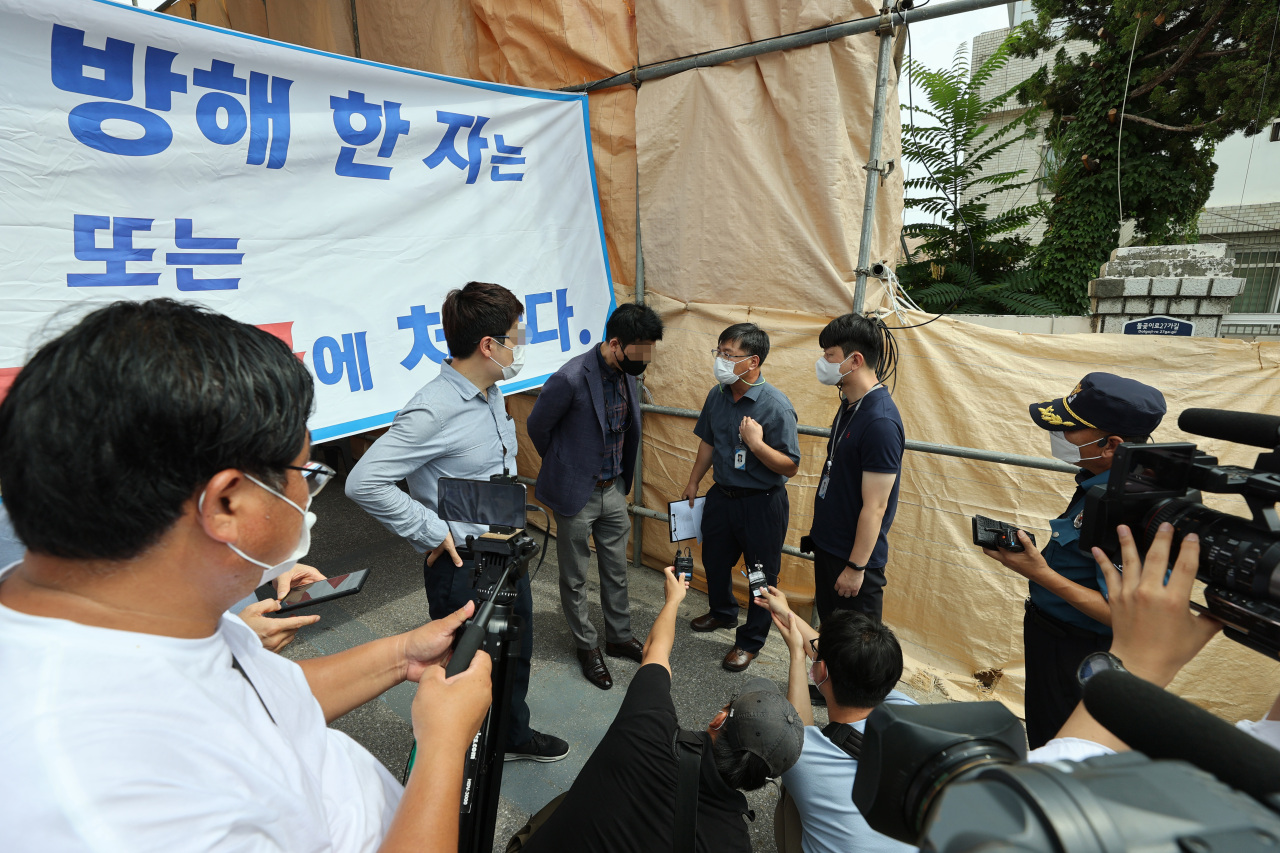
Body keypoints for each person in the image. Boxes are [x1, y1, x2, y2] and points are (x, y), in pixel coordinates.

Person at [0, 299, 492, 852]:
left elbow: (262, 700)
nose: (307, 493)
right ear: (227, 503)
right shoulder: (109, 807)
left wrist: (402, 655)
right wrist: (445, 746)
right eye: (305, 471)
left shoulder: (150, 607)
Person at [346, 281, 568, 762]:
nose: (522, 345)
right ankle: (456, 759)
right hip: (462, 566)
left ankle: (511, 735)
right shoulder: (433, 408)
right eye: (516, 336)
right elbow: (364, 482)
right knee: (464, 668)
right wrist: (430, 530)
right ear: (489, 345)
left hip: (506, 552)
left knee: (515, 652)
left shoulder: (491, 392)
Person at [517, 565, 805, 853]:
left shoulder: (647, 724)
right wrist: (798, 655)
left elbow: (656, 649)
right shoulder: (733, 841)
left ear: (719, 719)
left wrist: (673, 600)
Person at [980, 372, 1166, 748]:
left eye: (1069, 429)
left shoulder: (1130, 505)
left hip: (1081, 654)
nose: (1059, 436)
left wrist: (1041, 573)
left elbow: (1125, 616)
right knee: (1045, 736)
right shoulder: (1100, 482)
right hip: (1053, 640)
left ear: (1111, 444)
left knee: (1061, 750)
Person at [526, 303, 664, 690]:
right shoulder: (570, 378)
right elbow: (538, 426)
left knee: (617, 570)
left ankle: (618, 637)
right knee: (574, 577)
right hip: (578, 494)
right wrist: (565, 466)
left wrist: (618, 482)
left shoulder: (628, 374)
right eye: (639, 352)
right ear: (615, 343)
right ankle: (586, 646)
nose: (645, 361)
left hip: (614, 490)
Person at [754, 589, 916, 853]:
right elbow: (839, 657)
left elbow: (796, 733)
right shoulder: (907, 707)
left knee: (792, 795)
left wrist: (797, 655)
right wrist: (787, 614)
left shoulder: (801, 758)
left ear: (819, 672)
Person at [682, 322, 801, 672]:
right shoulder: (716, 395)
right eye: (718, 352)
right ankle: (722, 613)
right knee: (716, 560)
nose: (720, 360)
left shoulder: (776, 406)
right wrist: (694, 482)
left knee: (759, 576)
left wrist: (756, 443)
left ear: (752, 361)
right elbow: (708, 441)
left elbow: (790, 466)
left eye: (728, 355)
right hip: (722, 495)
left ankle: (750, 642)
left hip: (762, 502)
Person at [807, 314, 904, 623]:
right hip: (829, 547)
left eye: (829, 355)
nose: (823, 362)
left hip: (853, 563)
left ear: (855, 360)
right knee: (831, 639)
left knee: (856, 655)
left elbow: (876, 507)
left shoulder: (881, 421)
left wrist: (856, 568)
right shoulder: (850, 404)